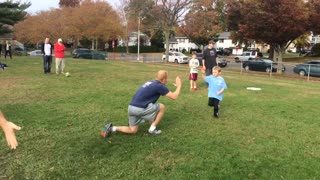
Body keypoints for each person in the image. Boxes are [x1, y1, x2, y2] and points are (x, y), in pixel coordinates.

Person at [101, 70, 182, 137]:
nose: (167, 81)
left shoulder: (150, 82)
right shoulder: (159, 86)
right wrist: (179, 86)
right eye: (166, 79)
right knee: (161, 107)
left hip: (131, 108)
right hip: (140, 109)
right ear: (164, 79)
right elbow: (174, 97)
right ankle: (152, 129)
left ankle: (112, 128)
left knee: (133, 130)